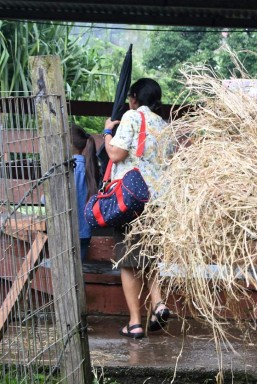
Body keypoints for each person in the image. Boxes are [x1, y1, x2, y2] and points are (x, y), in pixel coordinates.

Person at [103, 78, 171, 339]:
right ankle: (158, 304)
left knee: (130, 260)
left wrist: (108, 131)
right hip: (158, 201)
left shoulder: (131, 116)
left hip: (131, 199)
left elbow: (115, 155)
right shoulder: (164, 126)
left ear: (133, 98)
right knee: (151, 255)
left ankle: (134, 323)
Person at [70, 123, 100, 261]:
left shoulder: (72, 169)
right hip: (84, 232)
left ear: (68, 143)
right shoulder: (88, 166)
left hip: (69, 231)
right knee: (77, 272)